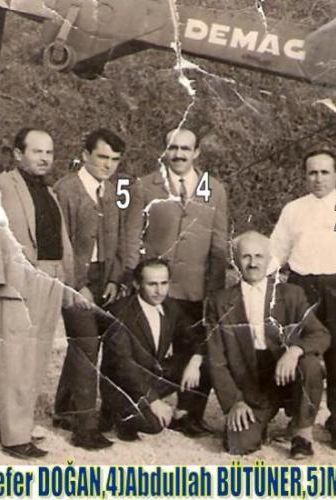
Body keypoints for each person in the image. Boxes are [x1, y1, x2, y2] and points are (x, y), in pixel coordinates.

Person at [124, 127, 228, 427]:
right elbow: (132, 237)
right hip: (154, 287)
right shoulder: (145, 186)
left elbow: (219, 244)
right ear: (164, 151)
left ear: (196, 152)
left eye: (185, 148)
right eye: (172, 147)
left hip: (195, 288)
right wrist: (133, 278)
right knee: (145, 348)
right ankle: (137, 403)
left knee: (196, 350)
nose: (178, 154)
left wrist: (214, 291)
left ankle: (188, 413)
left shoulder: (214, 189)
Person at [269, 149, 336, 449]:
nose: (318, 178)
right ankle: (298, 420)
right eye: (312, 172)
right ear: (305, 175)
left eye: (325, 172)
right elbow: (277, 251)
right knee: (300, 354)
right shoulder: (293, 209)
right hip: (301, 287)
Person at [0, 127, 75, 459]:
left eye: (49, 152)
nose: (44, 158)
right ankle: (15, 439)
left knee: (35, 357)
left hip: (49, 279)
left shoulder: (49, 192)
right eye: (37, 151)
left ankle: (8, 425)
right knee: (16, 357)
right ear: (17, 154)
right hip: (17, 281)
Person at [207, 231, 330, 457]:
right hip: (251, 384)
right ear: (235, 261)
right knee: (238, 445)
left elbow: (320, 334)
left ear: (269, 259)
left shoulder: (291, 294)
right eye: (246, 257)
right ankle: (259, 423)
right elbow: (216, 360)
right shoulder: (220, 301)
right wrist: (234, 402)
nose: (253, 263)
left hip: (286, 376)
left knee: (310, 364)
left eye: (258, 256)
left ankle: (302, 434)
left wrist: (294, 351)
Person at [51, 128, 127, 450]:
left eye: (114, 159)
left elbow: (116, 239)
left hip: (102, 276)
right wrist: (77, 285)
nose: (108, 165)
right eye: (102, 157)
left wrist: (113, 279)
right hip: (73, 277)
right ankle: (84, 428)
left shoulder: (111, 191)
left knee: (87, 343)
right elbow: (59, 244)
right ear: (85, 155)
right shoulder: (66, 190)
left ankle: (64, 409)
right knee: (85, 344)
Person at [100, 258, 212, 440]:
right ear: (137, 284)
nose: (160, 291)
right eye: (152, 284)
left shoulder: (170, 306)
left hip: (152, 374)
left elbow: (195, 337)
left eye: (164, 283)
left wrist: (195, 361)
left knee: (204, 362)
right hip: (122, 386)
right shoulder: (119, 311)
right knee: (154, 423)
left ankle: (182, 415)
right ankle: (117, 416)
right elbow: (123, 365)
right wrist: (153, 401)